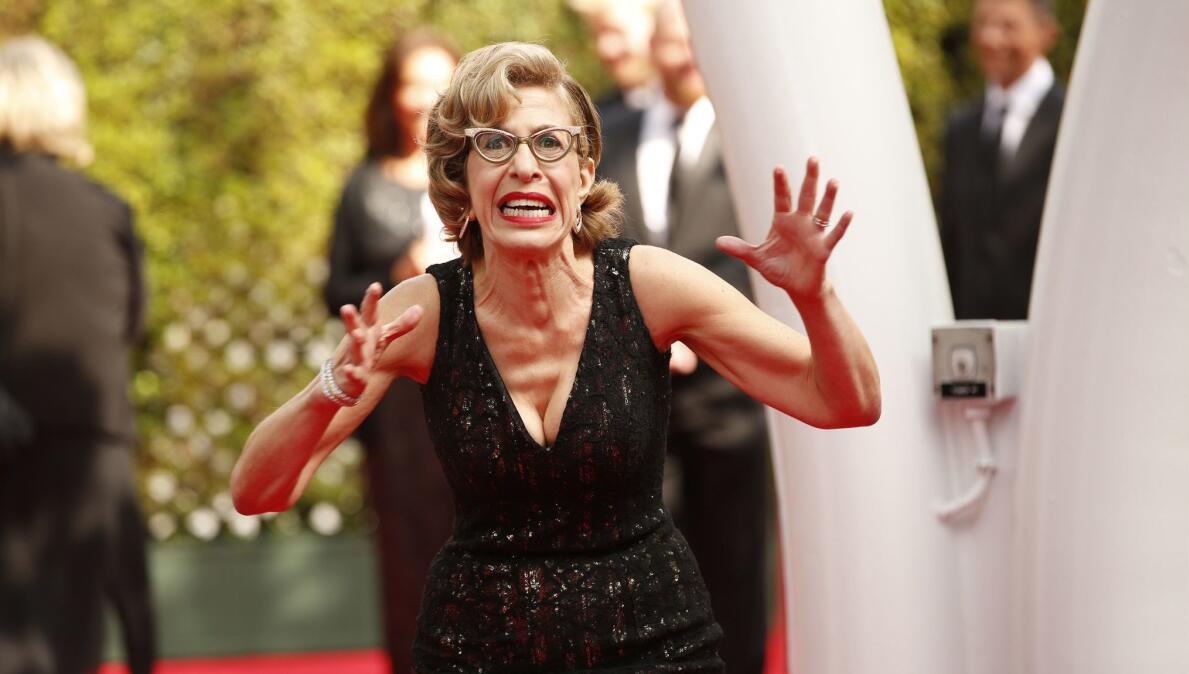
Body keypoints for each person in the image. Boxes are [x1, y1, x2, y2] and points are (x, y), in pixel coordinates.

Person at [232, 41, 880, 671]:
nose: (525, 165)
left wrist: (815, 295)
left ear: (584, 171)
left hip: (656, 647)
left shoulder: (650, 286)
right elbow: (257, 491)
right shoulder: (425, 311)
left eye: (549, 143)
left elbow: (846, 402)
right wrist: (330, 388)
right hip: (476, 652)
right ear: (463, 176)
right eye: (494, 143)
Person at [595, 2, 772, 670]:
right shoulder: (610, 133)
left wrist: (707, 331)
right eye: (672, 43)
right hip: (636, 395)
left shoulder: (750, 138)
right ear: (653, 48)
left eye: (695, 44)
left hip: (733, 396)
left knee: (736, 565)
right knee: (641, 574)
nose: (684, 56)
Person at [0, 36, 155, 674]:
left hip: (11, 455)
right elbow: (130, 326)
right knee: (77, 643)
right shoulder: (107, 210)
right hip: (93, 456)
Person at [322, 30, 459, 674]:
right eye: (413, 84)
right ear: (392, 95)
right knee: (407, 549)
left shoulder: (482, 175)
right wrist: (395, 270)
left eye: (440, 82)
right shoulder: (363, 186)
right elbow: (336, 290)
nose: (425, 100)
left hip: (474, 383)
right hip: (395, 402)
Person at [940, 0, 1063, 320]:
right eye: (982, 24)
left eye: (1008, 26)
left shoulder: (1072, 124)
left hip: (1050, 330)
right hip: (970, 340)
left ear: (1046, 33)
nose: (991, 39)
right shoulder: (960, 129)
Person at [569, 0, 659, 122]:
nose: (605, 49)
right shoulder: (595, 123)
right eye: (595, 35)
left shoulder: (687, 111)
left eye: (616, 32)